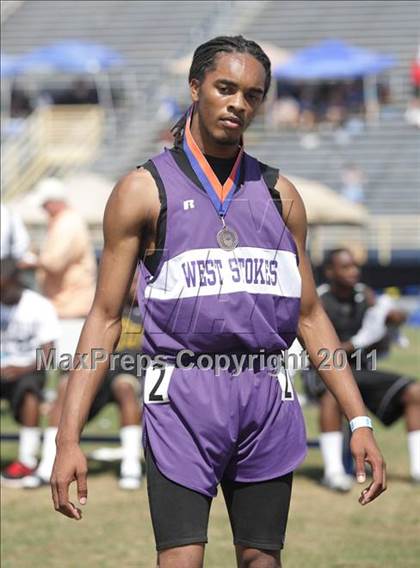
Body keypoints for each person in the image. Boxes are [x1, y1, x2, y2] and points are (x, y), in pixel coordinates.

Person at [51, 36, 386, 568]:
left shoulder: (281, 195)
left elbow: (309, 314)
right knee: (181, 560)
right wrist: (67, 437)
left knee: (262, 560)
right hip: (182, 398)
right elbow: (106, 317)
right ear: (195, 87)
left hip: (266, 398)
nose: (238, 104)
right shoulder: (143, 190)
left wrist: (359, 421)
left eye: (252, 95)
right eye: (225, 88)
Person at [302, 248, 420, 491]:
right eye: (345, 267)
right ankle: (333, 473)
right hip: (323, 373)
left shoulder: (366, 298)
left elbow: (390, 322)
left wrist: (392, 318)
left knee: (415, 392)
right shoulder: (319, 299)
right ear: (330, 272)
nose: (353, 271)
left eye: (355, 266)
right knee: (332, 395)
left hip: (360, 371)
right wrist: (346, 348)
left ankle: (418, 469)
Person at [23, 279, 144, 490]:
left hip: (130, 374)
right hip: (99, 372)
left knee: (124, 389)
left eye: (136, 279)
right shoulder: (105, 308)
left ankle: (131, 466)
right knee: (65, 387)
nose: (132, 285)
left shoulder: (151, 311)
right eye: (130, 279)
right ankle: (48, 463)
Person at [1, 257, 60, 487]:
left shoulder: (38, 305)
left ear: (15, 282)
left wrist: (19, 368)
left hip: (28, 369)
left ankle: (26, 460)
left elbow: (48, 355)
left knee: (28, 388)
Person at [32, 177, 96, 358]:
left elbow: (55, 262)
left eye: (45, 205)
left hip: (71, 305)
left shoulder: (67, 224)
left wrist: (33, 260)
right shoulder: (64, 222)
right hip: (66, 304)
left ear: (53, 202)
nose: (43, 210)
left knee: (68, 363)